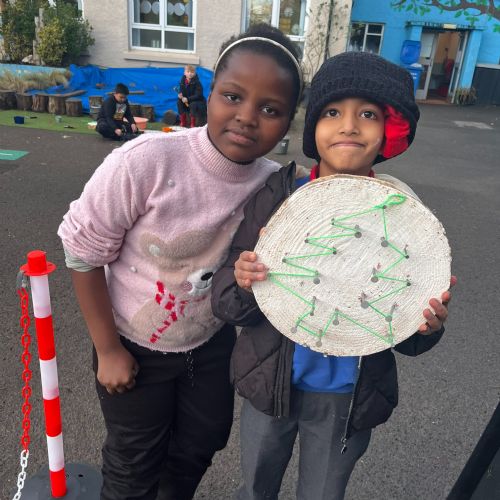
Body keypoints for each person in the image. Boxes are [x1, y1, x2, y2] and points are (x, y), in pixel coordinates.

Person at [57, 23, 303, 500]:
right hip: (132, 345)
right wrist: (107, 349)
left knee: (198, 446)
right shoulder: (146, 162)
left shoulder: (277, 185)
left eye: (270, 109)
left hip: (209, 345)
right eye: (233, 97)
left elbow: (334, 203)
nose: (247, 117)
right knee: (134, 463)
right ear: (209, 94)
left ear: (289, 120)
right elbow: (81, 252)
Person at [211, 51, 457, 500]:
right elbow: (225, 299)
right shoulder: (280, 195)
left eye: (367, 114)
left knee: (323, 492)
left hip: (347, 395)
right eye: (332, 113)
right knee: (256, 487)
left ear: (389, 130)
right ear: (313, 128)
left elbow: (408, 335)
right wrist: (243, 280)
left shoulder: (402, 217)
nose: (349, 126)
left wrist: (426, 324)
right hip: (270, 383)